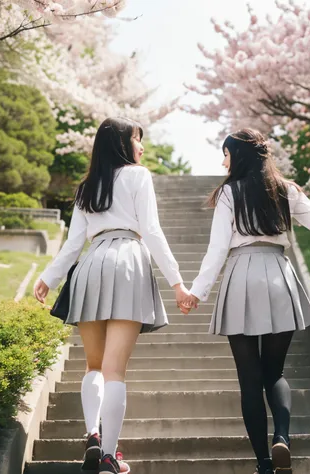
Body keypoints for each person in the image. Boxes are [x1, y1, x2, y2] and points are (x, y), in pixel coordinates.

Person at [180, 129, 310, 474]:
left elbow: (218, 248)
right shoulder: (286, 190)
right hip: (279, 275)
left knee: (249, 380)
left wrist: (197, 292)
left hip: (241, 277)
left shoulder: (228, 194)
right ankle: (282, 437)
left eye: (226, 154)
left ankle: (264, 464)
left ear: (240, 156)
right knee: (275, 372)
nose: (223, 162)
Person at [33, 117, 190, 474]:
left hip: (91, 265)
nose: (142, 147)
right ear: (123, 143)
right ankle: (108, 455)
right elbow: (150, 229)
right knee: (115, 370)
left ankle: (92, 434)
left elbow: (74, 244)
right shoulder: (138, 175)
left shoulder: (88, 185)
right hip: (128, 262)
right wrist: (177, 282)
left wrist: (48, 277)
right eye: (137, 139)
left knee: (93, 366)